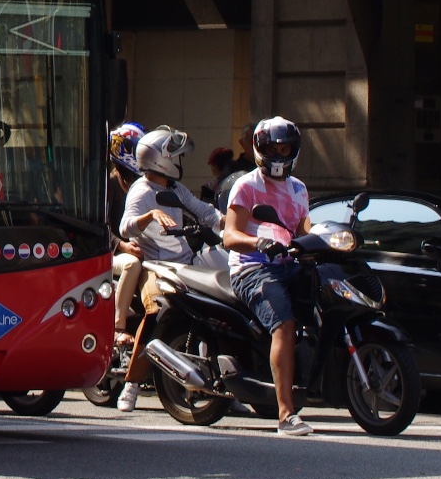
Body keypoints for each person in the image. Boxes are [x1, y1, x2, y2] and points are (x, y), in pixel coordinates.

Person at [221, 116, 316, 436]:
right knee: (284, 324)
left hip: (288, 265)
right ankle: (287, 414)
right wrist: (259, 242)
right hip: (253, 267)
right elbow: (230, 236)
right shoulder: (246, 186)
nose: (279, 153)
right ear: (259, 149)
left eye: (285, 147)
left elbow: (305, 231)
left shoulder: (299, 188)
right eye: (272, 147)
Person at [116, 126, 221, 411]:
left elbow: (204, 212)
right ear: (161, 159)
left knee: (218, 308)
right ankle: (132, 384)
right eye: (176, 156)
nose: (179, 162)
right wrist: (149, 216)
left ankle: (223, 383)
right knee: (157, 313)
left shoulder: (175, 188)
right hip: (156, 266)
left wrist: (230, 223)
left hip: (187, 263)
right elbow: (125, 227)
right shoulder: (141, 190)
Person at [104, 121, 146, 344]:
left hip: (138, 248)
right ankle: (118, 327)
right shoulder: (108, 186)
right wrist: (122, 245)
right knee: (132, 264)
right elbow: (100, 226)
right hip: (112, 254)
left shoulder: (144, 185)